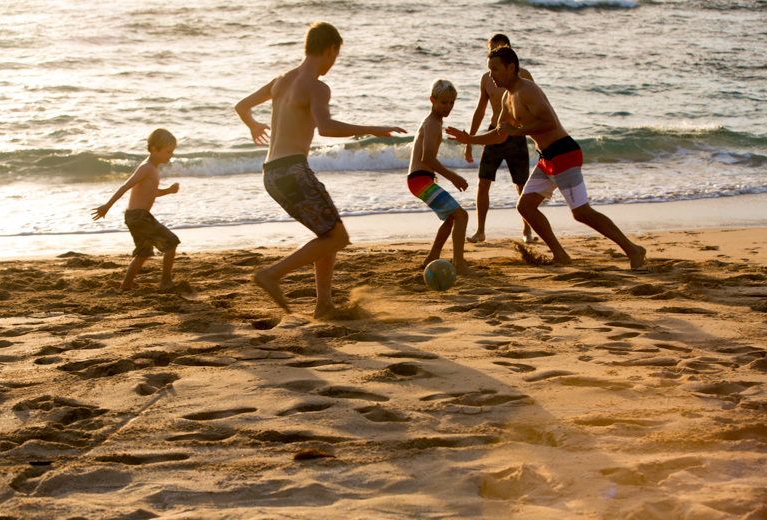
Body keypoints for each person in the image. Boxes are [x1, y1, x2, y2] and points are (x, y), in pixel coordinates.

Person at [234, 22, 406, 318]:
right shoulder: (316, 86)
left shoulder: (281, 81)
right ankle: (272, 275)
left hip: (271, 174)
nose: (333, 62)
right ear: (331, 49)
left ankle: (324, 303)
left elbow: (242, 106)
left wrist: (253, 125)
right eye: (335, 56)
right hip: (292, 172)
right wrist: (372, 130)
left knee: (327, 232)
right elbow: (325, 128)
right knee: (338, 237)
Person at [446, 47, 646, 269]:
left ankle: (633, 249)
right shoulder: (507, 97)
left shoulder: (527, 90)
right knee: (525, 206)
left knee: (581, 212)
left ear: (511, 68)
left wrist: (517, 131)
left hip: (563, 153)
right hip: (547, 158)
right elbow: (499, 135)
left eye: (495, 69)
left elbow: (549, 122)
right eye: (489, 70)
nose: (491, 75)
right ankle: (560, 254)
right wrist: (469, 139)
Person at [464, 33, 536, 244]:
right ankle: (480, 230)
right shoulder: (487, 78)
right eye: (491, 49)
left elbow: (534, 106)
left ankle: (527, 230)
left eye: (499, 48)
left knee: (521, 185)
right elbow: (480, 109)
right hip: (494, 132)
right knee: (483, 183)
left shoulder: (524, 76)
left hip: (515, 135)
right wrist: (470, 139)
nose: (494, 52)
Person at [91, 128, 181, 290]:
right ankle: (165, 281)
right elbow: (125, 186)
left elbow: (151, 193)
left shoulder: (153, 168)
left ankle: (125, 286)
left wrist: (168, 191)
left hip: (136, 216)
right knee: (171, 242)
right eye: (169, 151)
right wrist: (107, 206)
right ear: (154, 150)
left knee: (143, 253)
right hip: (139, 217)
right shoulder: (146, 168)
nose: (171, 155)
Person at [408, 79, 475, 275]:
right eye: (444, 102)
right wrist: (453, 176)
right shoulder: (432, 124)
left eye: (452, 103)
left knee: (451, 217)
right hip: (419, 180)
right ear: (432, 100)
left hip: (421, 179)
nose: (448, 107)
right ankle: (459, 264)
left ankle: (432, 256)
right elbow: (426, 157)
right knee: (461, 215)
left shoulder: (435, 122)